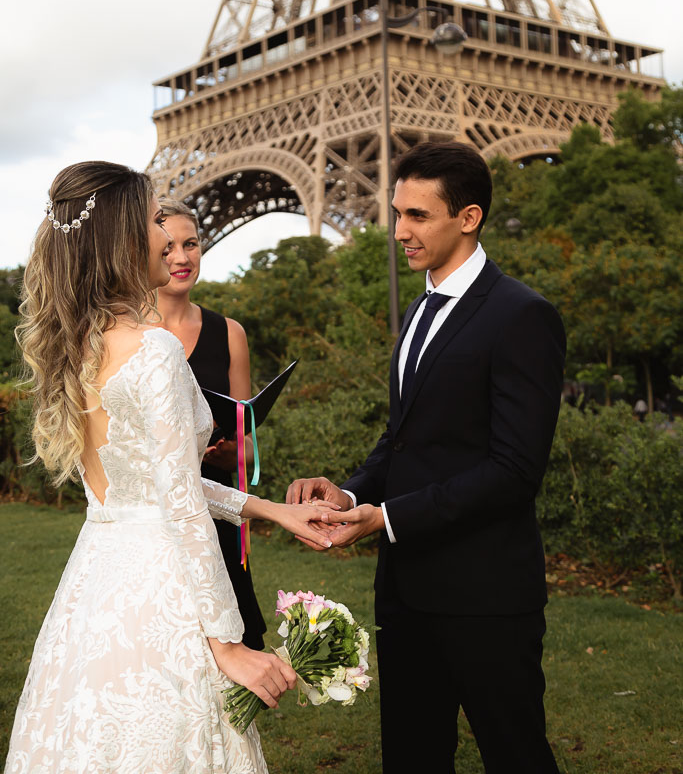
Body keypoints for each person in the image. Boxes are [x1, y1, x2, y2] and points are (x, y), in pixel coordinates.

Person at [5, 161, 334, 774]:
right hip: (166, 586)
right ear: (124, 239)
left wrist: (271, 509)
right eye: (150, 222)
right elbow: (180, 507)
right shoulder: (153, 348)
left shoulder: (83, 340)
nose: (163, 238)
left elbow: (159, 486)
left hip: (98, 582)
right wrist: (227, 644)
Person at [288, 141, 566, 774]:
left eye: (417, 215)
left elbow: (515, 469)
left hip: (487, 594)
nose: (398, 231)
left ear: (467, 218)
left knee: (516, 754)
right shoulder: (419, 310)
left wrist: (386, 518)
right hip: (407, 591)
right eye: (396, 212)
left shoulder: (523, 315)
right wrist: (351, 495)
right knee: (412, 756)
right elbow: (406, 437)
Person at [155, 197, 266, 650]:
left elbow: (250, 451)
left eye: (191, 244)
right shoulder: (122, 334)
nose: (181, 258)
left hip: (218, 523)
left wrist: (229, 450)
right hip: (155, 522)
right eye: (167, 248)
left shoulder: (230, 333)